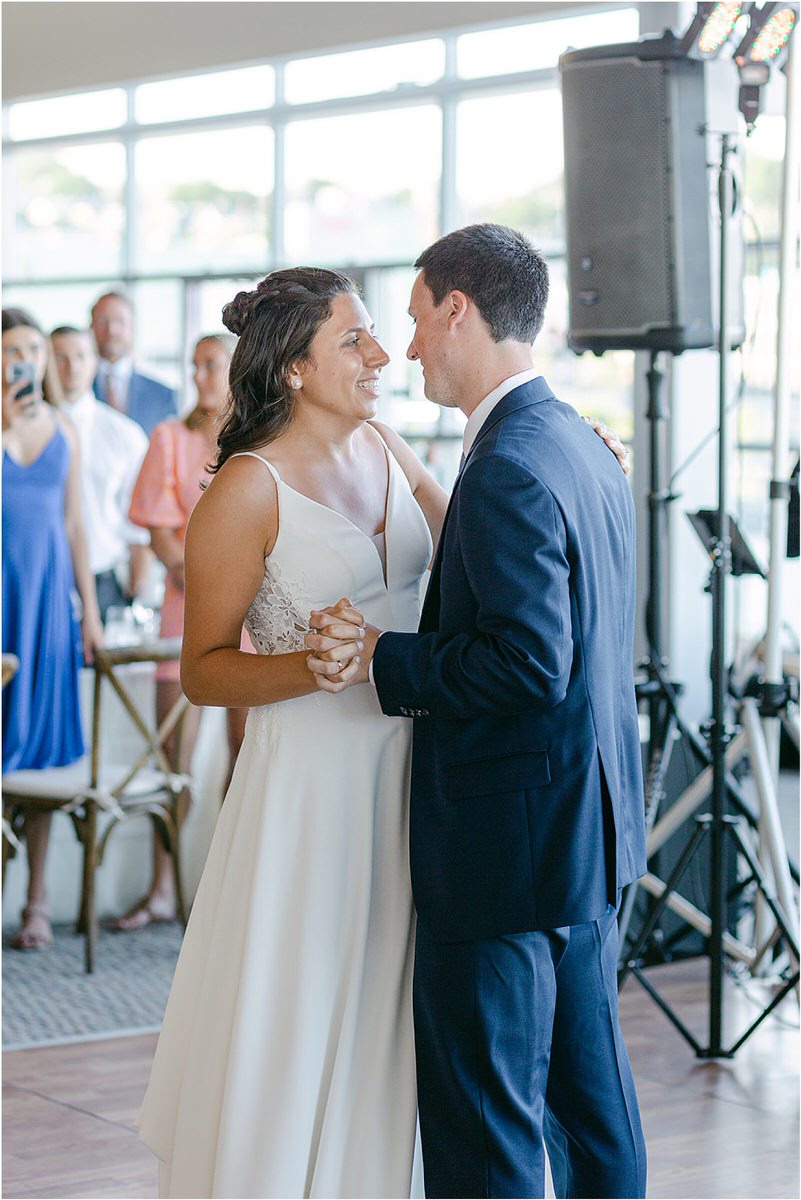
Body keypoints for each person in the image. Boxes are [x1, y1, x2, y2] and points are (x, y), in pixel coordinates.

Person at [136, 264, 629, 1198]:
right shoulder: (244, 490)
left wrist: (574, 469)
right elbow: (202, 668)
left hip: (420, 776)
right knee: (312, 998)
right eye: (353, 338)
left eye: (376, 331)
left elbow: (477, 556)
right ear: (292, 367)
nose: (381, 354)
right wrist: (306, 667)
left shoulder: (392, 448)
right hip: (310, 791)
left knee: (405, 1016)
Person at [307, 224, 648, 1199]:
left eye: (415, 321)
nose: (407, 347)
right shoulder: (578, 442)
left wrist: (385, 657)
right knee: (592, 1115)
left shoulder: (507, 462)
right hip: (585, 839)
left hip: (506, 854)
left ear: (458, 310)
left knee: (486, 1125)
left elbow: (530, 662)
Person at [112, 333, 249, 931]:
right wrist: (202, 574)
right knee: (175, 758)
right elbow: (161, 531)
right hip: (185, 609)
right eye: (194, 366)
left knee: (247, 757)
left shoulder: (254, 439)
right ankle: (162, 887)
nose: (200, 376)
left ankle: (231, 894)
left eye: (211, 364)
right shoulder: (169, 438)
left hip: (251, 613)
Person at [2, 307, 103, 950]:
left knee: (39, 756)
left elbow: (75, 527)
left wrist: (88, 610)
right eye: (13, 348)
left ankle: (37, 902)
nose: (26, 359)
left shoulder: (66, 426)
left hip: (46, 613)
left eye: (33, 348)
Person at [50, 325, 151, 621]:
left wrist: (139, 593)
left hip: (104, 580)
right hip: (42, 576)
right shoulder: (24, 432)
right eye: (60, 357)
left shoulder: (125, 434)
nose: (71, 367)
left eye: (80, 356)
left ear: (94, 362)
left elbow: (138, 525)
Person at [90, 292, 177, 436]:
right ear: (91, 327)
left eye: (119, 321)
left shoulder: (163, 396)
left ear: (132, 327)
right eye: (102, 321)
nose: (111, 330)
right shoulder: (72, 389)